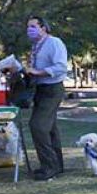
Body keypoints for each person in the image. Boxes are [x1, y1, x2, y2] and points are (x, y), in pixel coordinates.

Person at [26, 16, 69, 181]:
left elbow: (60, 67)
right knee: (50, 128)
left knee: (38, 126)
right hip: (40, 89)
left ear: (43, 27)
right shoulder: (36, 46)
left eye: (33, 26)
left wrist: (38, 72)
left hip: (52, 88)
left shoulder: (54, 43)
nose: (29, 29)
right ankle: (57, 165)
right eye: (28, 27)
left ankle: (49, 166)